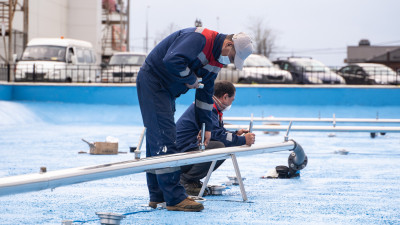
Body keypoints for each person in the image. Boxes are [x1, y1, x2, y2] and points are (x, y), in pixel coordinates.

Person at [136, 27, 253, 212]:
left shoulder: (215, 62)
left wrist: (205, 127)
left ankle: (158, 195)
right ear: (229, 44)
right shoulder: (200, 38)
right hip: (154, 83)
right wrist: (190, 78)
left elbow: (205, 95)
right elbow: (172, 60)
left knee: (157, 139)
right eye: (232, 57)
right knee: (165, 138)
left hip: (166, 90)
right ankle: (174, 198)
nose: (229, 62)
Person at [176, 80, 256, 195]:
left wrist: (235, 134)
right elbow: (218, 136)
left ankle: (191, 180)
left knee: (219, 145)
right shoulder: (209, 109)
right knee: (219, 148)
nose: (231, 104)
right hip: (181, 154)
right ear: (224, 97)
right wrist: (243, 140)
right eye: (232, 100)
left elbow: (217, 132)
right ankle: (186, 180)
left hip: (186, 149)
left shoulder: (209, 106)